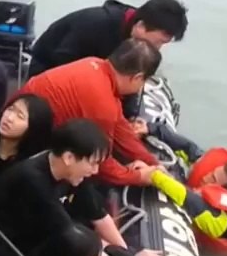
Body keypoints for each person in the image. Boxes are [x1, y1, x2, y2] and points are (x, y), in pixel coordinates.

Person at [0, 119, 162, 256]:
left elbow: (98, 215)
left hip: (40, 238)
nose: (96, 171)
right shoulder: (33, 180)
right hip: (4, 249)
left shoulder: (71, 173)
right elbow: (71, 235)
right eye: (93, 164)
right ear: (69, 157)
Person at [18, 39, 162, 188]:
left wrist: (151, 162)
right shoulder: (103, 103)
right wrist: (138, 177)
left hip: (26, 118)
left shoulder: (94, 63)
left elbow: (121, 129)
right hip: (27, 146)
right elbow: (101, 162)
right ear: (137, 77)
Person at [27, 0, 188, 78]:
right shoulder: (96, 25)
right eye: (159, 41)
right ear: (140, 26)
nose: (157, 48)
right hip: (47, 68)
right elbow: (62, 61)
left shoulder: (137, 43)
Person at [144, 148, 227, 250]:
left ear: (225, 193)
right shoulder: (223, 180)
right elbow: (190, 149)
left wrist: (154, 175)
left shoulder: (222, 223)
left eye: (213, 179)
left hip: (211, 252)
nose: (206, 176)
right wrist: (151, 128)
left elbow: (188, 199)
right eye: (213, 172)